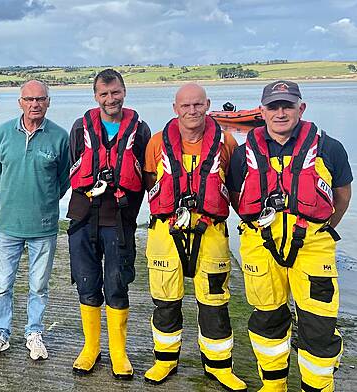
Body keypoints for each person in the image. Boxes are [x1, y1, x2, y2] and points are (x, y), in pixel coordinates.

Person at [228, 80, 351, 392]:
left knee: (319, 325)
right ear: (262, 111)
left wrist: (320, 228)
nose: (280, 112)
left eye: (287, 105)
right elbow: (235, 197)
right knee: (267, 318)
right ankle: (274, 385)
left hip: (312, 248)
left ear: (301, 108)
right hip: (260, 247)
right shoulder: (243, 154)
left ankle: (319, 387)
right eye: (273, 106)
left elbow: (343, 195)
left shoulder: (329, 148)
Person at [143, 83, 246, 391]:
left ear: (208, 105)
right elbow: (151, 180)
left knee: (215, 303)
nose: (192, 111)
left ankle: (218, 367)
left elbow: (238, 186)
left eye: (198, 105)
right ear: (175, 108)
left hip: (212, 231)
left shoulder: (226, 142)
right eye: (185, 106)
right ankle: (165, 361)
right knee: (165, 301)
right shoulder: (157, 143)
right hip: (166, 230)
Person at [68, 69, 150, 379]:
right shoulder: (80, 127)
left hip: (119, 222)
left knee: (117, 285)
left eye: (115, 92)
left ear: (124, 92)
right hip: (82, 218)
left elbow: (146, 177)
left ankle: (118, 351)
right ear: (95, 97)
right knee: (87, 284)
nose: (110, 99)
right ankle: (91, 348)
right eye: (103, 94)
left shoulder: (141, 131)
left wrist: (130, 213)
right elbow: (72, 167)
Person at [0, 80, 70, 361]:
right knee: (2, 285)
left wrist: (43, 200)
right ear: (20, 102)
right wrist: (12, 196)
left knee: (38, 286)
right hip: (8, 224)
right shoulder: (4, 133)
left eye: (41, 99)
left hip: (43, 226)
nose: (35, 104)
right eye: (29, 99)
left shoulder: (60, 136)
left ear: (48, 102)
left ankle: (34, 333)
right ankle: (1, 334)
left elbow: (65, 179)